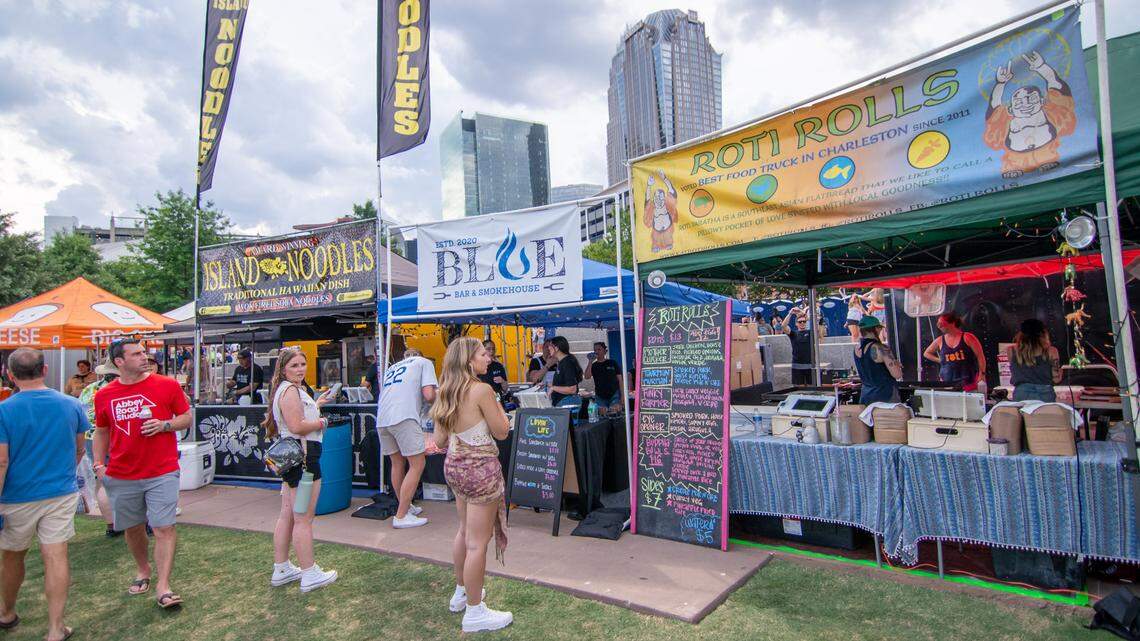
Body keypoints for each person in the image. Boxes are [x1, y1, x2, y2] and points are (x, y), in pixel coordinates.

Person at [92, 339, 192, 609]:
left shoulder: (166, 385)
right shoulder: (104, 395)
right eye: (136, 354)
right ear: (119, 362)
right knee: (133, 528)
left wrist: (165, 425)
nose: (144, 357)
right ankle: (143, 570)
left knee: (163, 527)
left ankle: (163, 586)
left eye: (143, 352)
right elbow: (101, 431)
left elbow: (186, 417)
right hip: (122, 473)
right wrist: (99, 465)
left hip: (162, 470)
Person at [0, 348, 87, 641]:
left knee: (12, 556)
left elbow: (1, 460)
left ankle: (6, 612)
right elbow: (79, 449)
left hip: (15, 495)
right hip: (59, 491)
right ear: (45, 370)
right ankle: (55, 628)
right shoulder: (71, 404)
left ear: (10, 375)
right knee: (55, 556)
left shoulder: (4, 410)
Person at [430, 337, 513, 633]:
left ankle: (462, 591)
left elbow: (438, 441)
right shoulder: (481, 390)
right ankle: (475, 612)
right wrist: (502, 414)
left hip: (454, 467)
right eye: (483, 353)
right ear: (468, 360)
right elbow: (502, 432)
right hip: (480, 470)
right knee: (478, 542)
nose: (488, 358)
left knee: (464, 531)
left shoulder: (445, 391)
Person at [262, 347, 338, 592]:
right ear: (283, 368)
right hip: (304, 457)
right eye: (294, 365)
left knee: (288, 513)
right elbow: (297, 425)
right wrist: (322, 422)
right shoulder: (291, 390)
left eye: (303, 364)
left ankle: (282, 567)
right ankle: (309, 572)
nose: (300, 369)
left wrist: (316, 405)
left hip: (294, 458)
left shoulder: (287, 390)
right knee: (303, 517)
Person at [377, 347, 438, 529]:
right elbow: (429, 395)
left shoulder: (394, 367)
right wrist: (441, 395)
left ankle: (406, 506)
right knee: (417, 464)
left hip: (382, 418)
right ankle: (402, 515)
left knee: (397, 463)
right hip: (404, 415)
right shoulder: (424, 363)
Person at [78, 358, 120, 538]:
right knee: (123, 480)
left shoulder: (89, 389)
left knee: (102, 478)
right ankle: (126, 521)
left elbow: (81, 413)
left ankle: (111, 525)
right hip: (114, 437)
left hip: (89, 437)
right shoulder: (119, 390)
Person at [923, 312, 987, 391]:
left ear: (952, 323)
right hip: (947, 382)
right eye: (938, 323)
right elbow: (926, 353)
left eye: (942, 323)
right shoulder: (940, 340)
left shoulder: (968, 337)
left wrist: (982, 374)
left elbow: (980, 356)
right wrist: (940, 360)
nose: (939, 326)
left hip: (968, 380)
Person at [1007, 319, 1062, 402]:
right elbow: (1056, 379)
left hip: (1021, 394)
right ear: (1043, 333)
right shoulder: (1052, 351)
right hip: (1045, 394)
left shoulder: (1011, 351)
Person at [852, 317, 902, 404]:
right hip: (885, 396)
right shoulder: (882, 348)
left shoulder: (856, 349)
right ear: (876, 328)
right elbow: (897, 374)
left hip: (865, 396)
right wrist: (896, 364)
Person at [584, 342, 623, 413]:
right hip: (600, 396)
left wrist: (623, 396)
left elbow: (620, 380)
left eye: (599, 349)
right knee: (602, 416)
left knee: (615, 413)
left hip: (614, 395)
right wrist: (590, 361)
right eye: (595, 350)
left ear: (605, 351)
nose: (597, 352)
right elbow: (587, 376)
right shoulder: (593, 365)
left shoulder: (612, 363)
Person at [780, 307, 815, 386]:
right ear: (796, 324)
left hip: (810, 365)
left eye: (804, 321)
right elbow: (783, 326)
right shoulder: (793, 334)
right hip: (797, 365)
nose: (802, 323)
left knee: (812, 388)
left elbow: (815, 323)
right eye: (800, 322)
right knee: (800, 389)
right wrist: (790, 313)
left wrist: (802, 312)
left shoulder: (810, 333)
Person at [547, 336, 583, 409]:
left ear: (556, 348)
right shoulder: (562, 362)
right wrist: (547, 385)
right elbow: (563, 384)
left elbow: (572, 389)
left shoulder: (567, 362)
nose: (548, 348)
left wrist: (553, 388)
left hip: (567, 402)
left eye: (550, 346)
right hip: (562, 402)